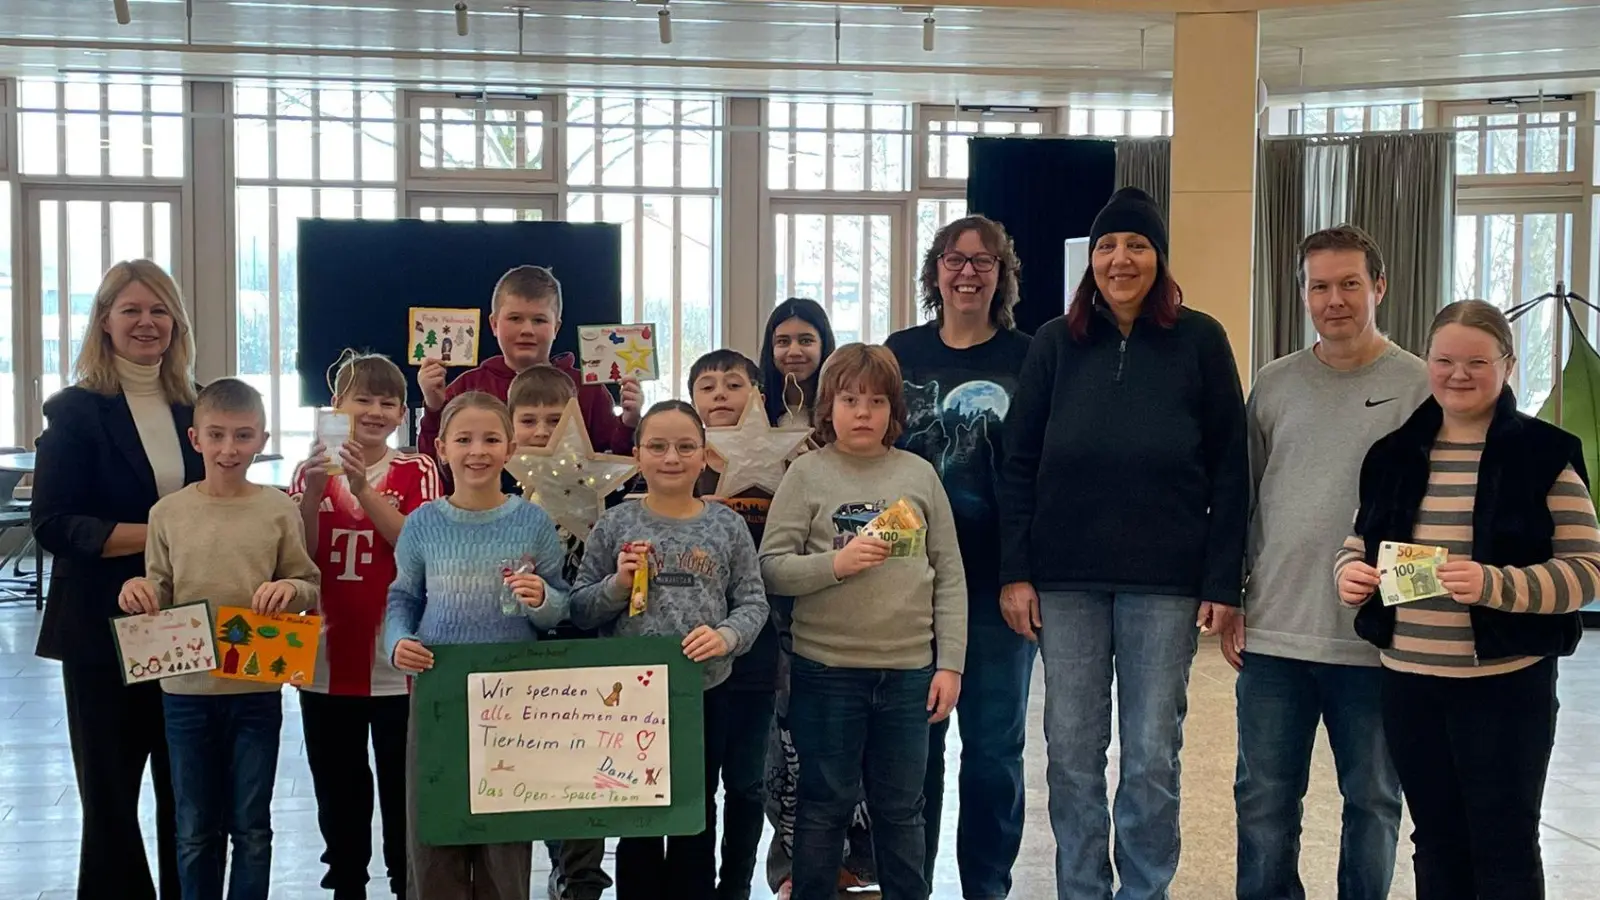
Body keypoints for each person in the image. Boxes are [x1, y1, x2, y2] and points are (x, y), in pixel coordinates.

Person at [996, 187, 1249, 900]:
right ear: (1091, 262)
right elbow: (1018, 462)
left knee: (1149, 758)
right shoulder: (1055, 342)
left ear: (1159, 258)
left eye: (1136, 244)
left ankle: (1144, 891)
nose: (1121, 258)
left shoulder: (1200, 340)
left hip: (1164, 584)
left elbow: (1232, 468)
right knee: (1073, 755)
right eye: (1108, 246)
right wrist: (1016, 571)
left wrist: (1221, 583)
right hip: (1065, 580)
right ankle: (1082, 889)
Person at [1335, 299, 1600, 900]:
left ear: (1507, 365)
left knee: (1504, 845)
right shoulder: (1393, 453)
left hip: (1506, 687)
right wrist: (1349, 572)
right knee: (1435, 841)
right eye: (1445, 360)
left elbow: (1587, 572)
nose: (1458, 374)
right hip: (1410, 684)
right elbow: (1358, 540)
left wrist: (1494, 585)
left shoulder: (1545, 456)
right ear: (1427, 361)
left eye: (1477, 362)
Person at [1230, 225, 1424, 900]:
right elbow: (1243, 502)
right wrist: (1233, 596)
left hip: (1375, 644)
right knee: (1262, 805)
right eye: (1319, 286)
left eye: (1349, 284)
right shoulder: (1274, 383)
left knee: (1372, 803)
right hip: (1275, 634)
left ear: (1378, 286)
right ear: (1303, 294)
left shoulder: (1420, 387)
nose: (1334, 300)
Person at [760, 343, 967, 900]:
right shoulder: (806, 475)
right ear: (828, 406)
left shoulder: (919, 475)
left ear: (894, 412)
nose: (863, 412)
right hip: (826, 672)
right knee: (823, 805)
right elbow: (772, 568)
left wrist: (950, 664)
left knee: (902, 809)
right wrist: (835, 564)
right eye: (850, 399)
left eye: (876, 401)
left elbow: (949, 575)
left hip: (908, 676)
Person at [31, 259, 202, 900]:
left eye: (159, 309)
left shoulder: (198, 403)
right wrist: (162, 530)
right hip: (101, 629)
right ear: (104, 321)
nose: (146, 322)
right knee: (110, 800)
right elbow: (54, 524)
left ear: (176, 322)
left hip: (185, 623)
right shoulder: (74, 412)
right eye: (130, 309)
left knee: (185, 794)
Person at [117, 377, 322, 900]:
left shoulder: (278, 509)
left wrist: (288, 589)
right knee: (192, 828)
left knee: (252, 826)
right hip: (185, 693)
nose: (229, 448)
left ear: (262, 438)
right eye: (218, 435)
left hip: (256, 690)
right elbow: (158, 585)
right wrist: (139, 589)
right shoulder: (168, 513)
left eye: (243, 436)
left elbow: (307, 583)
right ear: (196, 439)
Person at [885, 214, 1034, 900]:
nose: (968, 271)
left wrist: (1021, 573)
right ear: (935, 271)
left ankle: (987, 888)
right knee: (916, 754)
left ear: (1002, 275)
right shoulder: (900, 353)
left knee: (994, 756)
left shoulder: (1031, 357)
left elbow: (1039, 476)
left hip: (998, 588)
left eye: (983, 261)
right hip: (910, 586)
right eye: (955, 259)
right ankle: (910, 886)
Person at [570, 400, 770, 900]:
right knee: (638, 819)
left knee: (694, 814)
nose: (671, 458)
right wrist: (617, 584)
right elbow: (580, 608)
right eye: (657, 446)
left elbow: (753, 601)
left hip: (704, 693)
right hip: (629, 705)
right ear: (638, 455)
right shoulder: (614, 524)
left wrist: (727, 636)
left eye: (685, 446)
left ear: (705, 456)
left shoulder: (726, 526)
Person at [385, 391, 572, 900]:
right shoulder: (424, 523)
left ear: (510, 447)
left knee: (504, 845)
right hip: (438, 693)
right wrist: (397, 640)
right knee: (435, 835)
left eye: (490, 438)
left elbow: (562, 604)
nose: (477, 450)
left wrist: (541, 600)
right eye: (463, 439)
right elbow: (402, 597)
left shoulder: (532, 522)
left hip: (512, 703)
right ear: (441, 447)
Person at [290, 351, 443, 900]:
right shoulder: (309, 470)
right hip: (326, 658)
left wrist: (362, 488)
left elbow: (417, 545)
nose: (376, 411)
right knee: (338, 788)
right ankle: (346, 884)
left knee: (404, 790)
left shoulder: (416, 468)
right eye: (363, 400)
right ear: (336, 407)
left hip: (397, 661)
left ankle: (408, 883)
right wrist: (311, 494)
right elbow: (300, 556)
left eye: (388, 401)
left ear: (403, 412)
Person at [754, 300, 871, 898]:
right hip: (764, 588)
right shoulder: (748, 415)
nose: (794, 351)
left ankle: (854, 862)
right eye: (782, 340)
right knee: (787, 738)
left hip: (839, 589)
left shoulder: (844, 419)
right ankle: (790, 866)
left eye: (806, 338)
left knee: (842, 732)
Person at [505, 365, 613, 900]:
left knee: (584, 758)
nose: (543, 429)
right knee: (539, 762)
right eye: (530, 420)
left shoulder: (601, 485)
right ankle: (558, 861)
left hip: (584, 638)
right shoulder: (499, 489)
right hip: (517, 645)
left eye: (557, 418)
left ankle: (584, 874)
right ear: (511, 426)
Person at [687, 349, 782, 900]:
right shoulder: (679, 462)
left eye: (733, 384)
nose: (720, 394)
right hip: (690, 652)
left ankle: (736, 887)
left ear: (758, 396)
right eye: (707, 386)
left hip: (757, 649)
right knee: (694, 784)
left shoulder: (781, 465)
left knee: (746, 782)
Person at [416, 265, 642, 474]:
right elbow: (435, 474)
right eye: (515, 318)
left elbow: (615, 471)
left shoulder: (588, 390)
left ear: (557, 327)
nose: (527, 330)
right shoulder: (466, 388)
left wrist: (629, 423)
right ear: (494, 324)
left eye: (539, 320)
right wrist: (435, 409)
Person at [760, 298, 836, 430]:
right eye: (783, 341)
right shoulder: (753, 410)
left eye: (806, 341)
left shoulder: (844, 409)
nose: (794, 352)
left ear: (823, 346)